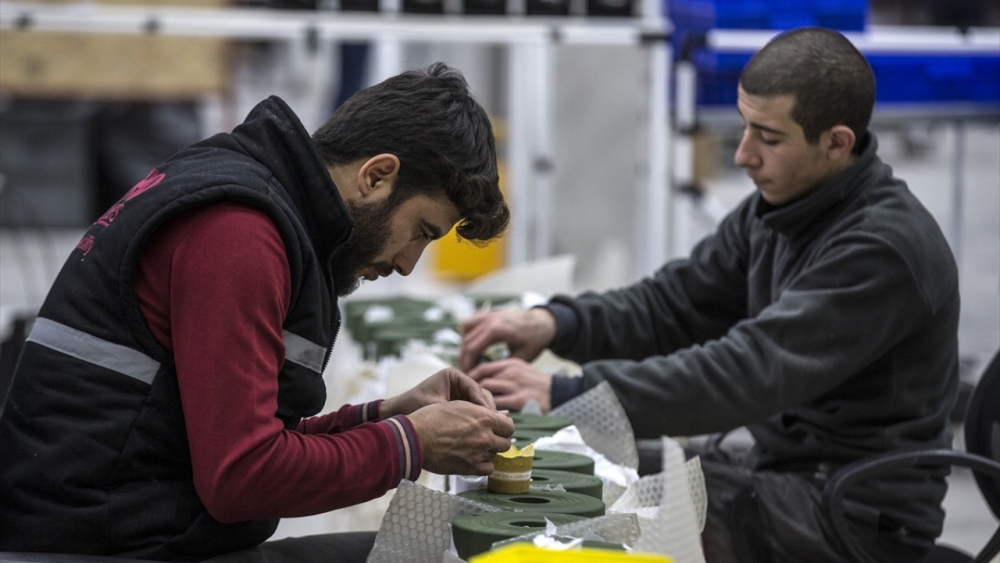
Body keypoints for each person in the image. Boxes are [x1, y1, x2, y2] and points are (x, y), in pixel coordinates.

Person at [459, 27, 959, 563]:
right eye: (744, 128)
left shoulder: (883, 249)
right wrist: (557, 323)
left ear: (837, 143)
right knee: (588, 465)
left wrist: (569, 392)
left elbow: (745, 372)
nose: (743, 156)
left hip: (852, 518)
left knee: (596, 516)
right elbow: (673, 304)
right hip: (783, 477)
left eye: (768, 138)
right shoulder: (783, 206)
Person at [0, 63, 515, 562]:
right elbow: (241, 478)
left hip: (136, 533)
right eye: (422, 231)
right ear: (377, 176)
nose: (408, 264)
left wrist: (386, 416)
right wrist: (413, 443)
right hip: (93, 550)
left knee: (422, 551)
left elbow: (245, 442)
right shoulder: (238, 235)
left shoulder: (250, 198)